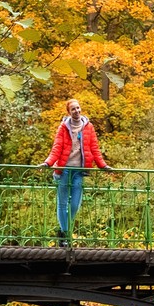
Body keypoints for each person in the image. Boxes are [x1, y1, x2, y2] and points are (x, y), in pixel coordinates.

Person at [43, 99, 110, 243]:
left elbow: (94, 148)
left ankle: (62, 231)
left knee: (74, 205)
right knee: (62, 203)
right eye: (73, 109)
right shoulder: (63, 127)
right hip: (64, 169)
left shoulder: (88, 127)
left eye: (78, 108)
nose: (77, 111)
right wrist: (48, 162)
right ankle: (65, 236)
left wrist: (103, 165)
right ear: (69, 112)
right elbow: (57, 147)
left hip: (79, 170)